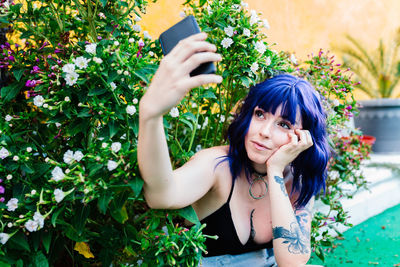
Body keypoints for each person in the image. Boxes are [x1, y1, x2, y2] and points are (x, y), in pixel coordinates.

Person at [138, 32, 330, 267]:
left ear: (303, 137)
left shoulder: (297, 180)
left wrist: (275, 171)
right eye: (260, 114)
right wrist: (151, 116)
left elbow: (292, 262)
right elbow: (160, 195)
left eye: (284, 124)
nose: (265, 131)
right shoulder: (218, 164)